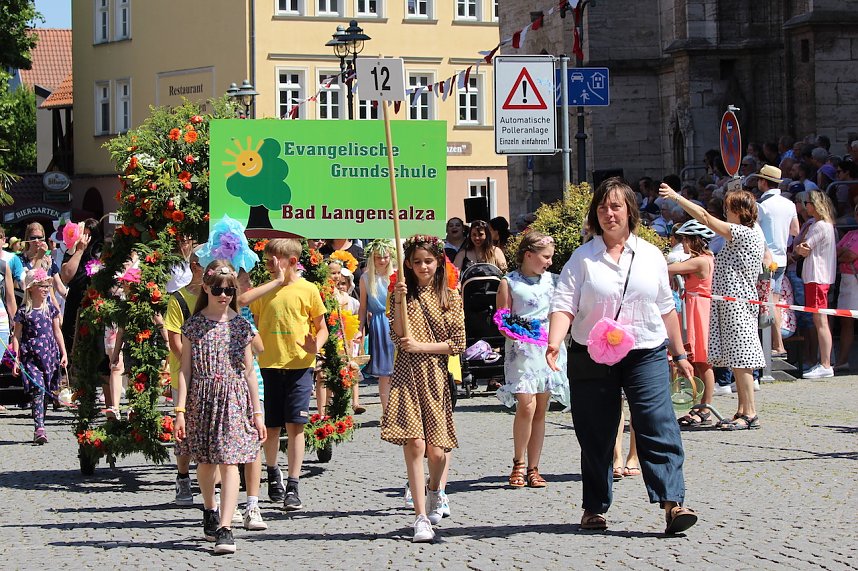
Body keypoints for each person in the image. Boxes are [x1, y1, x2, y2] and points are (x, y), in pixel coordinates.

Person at [547, 177, 697, 534]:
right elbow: (564, 304)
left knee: (656, 421)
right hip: (591, 353)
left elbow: (666, 307)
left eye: (616, 206)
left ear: (630, 211)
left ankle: (673, 503)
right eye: (602, 207)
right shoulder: (582, 259)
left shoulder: (650, 255)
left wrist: (680, 354)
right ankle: (595, 507)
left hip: (644, 351)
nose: (608, 213)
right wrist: (554, 342)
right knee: (595, 430)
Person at [174, 261, 266, 555]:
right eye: (218, 289)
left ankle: (225, 528)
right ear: (206, 288)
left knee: (230, 462)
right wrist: (179, 410)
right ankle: (209, 508)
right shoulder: (194, 325)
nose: (223, 295)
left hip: (233, 397)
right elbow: (184, 370)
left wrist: (257, 412)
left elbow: (250, 371)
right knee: (206, 462)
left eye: (229, 290)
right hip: (201, 397)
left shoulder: (241, 325)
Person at [660, 184, 766, 430]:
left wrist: (677, 198)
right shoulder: (754, 232)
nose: (725, 213)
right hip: (733, 302)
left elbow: (705, 218)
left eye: (728, 209)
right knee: (738, 360)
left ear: (738, 211)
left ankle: (749, 412)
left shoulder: (743, 232)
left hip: (737, 301)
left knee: (742, 359)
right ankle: (742, 409)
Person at [382, 234, 465, 543]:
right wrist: (400, 298)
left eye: (428, 261)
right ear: (408, 264)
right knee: (415, 445)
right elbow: (399, 336)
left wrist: (421, 346)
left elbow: (457, 343)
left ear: (438, 262)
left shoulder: (450, 296)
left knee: (437, 451)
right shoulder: (400, 295)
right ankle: (419, 517)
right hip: (406, 374)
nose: (422, 267)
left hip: (435, 375)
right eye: (416, 262)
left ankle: (435, 489)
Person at [245, 239, 328, 510]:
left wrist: (317, 345)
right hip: (267, 366)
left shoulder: (308, 290)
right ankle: (272, 472)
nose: (269, 265)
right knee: (269, 427)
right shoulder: (265, 291)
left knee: (296, 425)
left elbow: (322, 327)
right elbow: (248, 313)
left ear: (291, 262)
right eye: (267, 260)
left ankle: (293, 484)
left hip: (299, 365)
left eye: (274, 260)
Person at [495, 231, 569, 489]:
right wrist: (517, 333)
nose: (549, 262)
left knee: (540, 408)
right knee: (525, 405)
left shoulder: (554, 281)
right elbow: (502, 319)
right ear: (529, 255)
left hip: (547, 348)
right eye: (545, 257)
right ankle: (519, 462)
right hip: (521, 350)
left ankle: (534, 467)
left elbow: (562, 313)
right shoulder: (509, 282)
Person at [667, 220, 716, 426]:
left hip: (699, 309)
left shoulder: (702, 261)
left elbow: (670, 267)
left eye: (686, 240)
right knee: (693, 361)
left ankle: (705, 408)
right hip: (692, 307)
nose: (684, 244)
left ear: (695, 241)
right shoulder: (699, 259)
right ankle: (697, 405)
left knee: (702, 360)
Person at [164, 246, 204, 504]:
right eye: (206, 265)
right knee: (185, 428)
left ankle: (209, 480)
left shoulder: (216, 296)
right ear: (194, 268)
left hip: (212, 375)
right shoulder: (178, 299)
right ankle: (182, 477)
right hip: (185, 372)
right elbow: (174, 340)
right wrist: (194, 366)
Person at [11, 268, 67, 444]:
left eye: (47, 286)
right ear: (31, 288)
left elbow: (57, 331)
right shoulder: (23, 311)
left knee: (46, 391)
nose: (45, 289)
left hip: (49, 355)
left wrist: (63, 352)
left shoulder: (50, 308)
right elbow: (17, 336)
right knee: (37, 388)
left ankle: (40, 422)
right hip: (31, 356)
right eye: (42, 286)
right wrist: (16, 358)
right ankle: (39, 427)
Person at [754, 165, 799, 358]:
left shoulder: (761, 205)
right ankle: (776, 343)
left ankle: (777, 344)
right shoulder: (789, 204)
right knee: (774, 300)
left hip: (765, 259)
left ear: (764, 182)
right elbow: (795, 230)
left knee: (767, 302)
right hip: (781, 257)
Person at [794, 190, 838, 379]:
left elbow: (803, 249)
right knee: (820, 320)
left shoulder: (820, 225)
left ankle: (826, 363)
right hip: (817, 276)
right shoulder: (824, 225)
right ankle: (825, 362)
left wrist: (798, 249)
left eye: (808, 203)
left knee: (820, 321)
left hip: (817, 276)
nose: (806, 207)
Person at [359, 240, 395, 412]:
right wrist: (360, 328)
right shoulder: (366, 278)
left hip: (395, 321)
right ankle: (386, 410)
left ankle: (400, 409)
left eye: (385, 257)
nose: (382, 261)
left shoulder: (396, 275)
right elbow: (363, 307)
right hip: (379, 324)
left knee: (399, 368)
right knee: (384, 373)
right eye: (378, 257)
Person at [60, 219, 103, 361]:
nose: (85, 239)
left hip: (95, 304)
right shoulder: (72, 251)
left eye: (88, 236)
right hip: (75, 301)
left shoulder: (101, 251)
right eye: (82, 235)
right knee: (72, 342)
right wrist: (79, 251)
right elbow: (66, 277)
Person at [833, 203, 858, 372]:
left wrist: (844, 254)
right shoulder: (850, 233)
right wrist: (844, 255)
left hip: (854, 279)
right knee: (846, 322)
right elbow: (835, 253)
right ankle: (842, 360)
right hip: (847, 280)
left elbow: (850, 255)